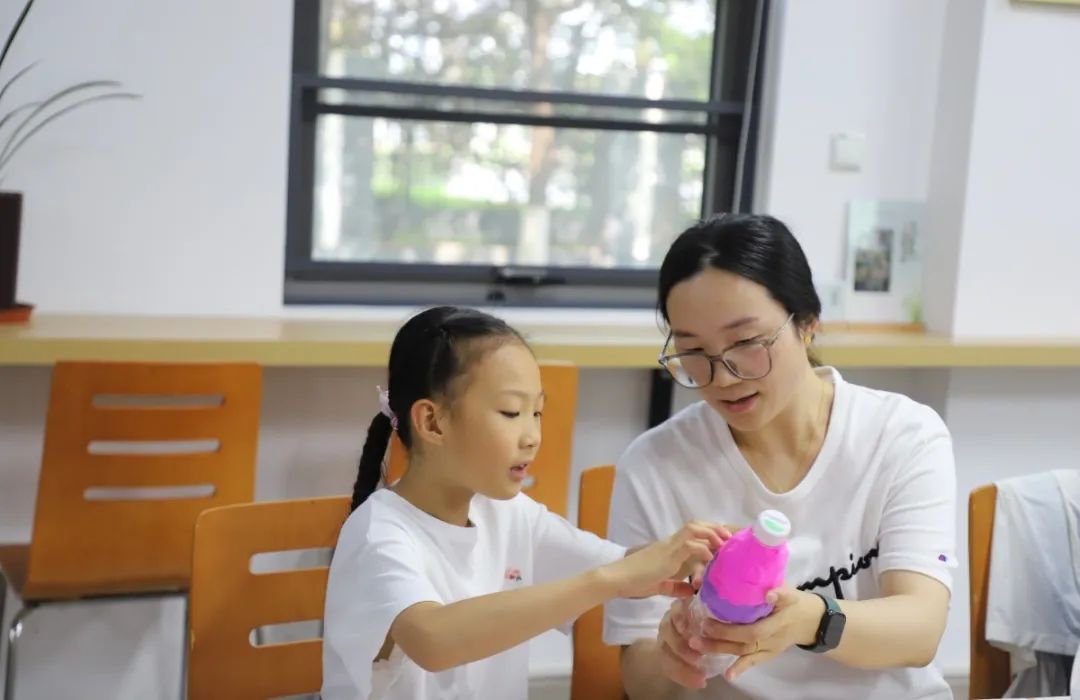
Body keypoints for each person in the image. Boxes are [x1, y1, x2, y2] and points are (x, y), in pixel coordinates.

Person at [604, 214, 957, 700]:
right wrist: (677, 653)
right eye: (693, 351)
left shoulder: (901, 435)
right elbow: (641, 679)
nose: (723, 376)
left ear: (807, 323)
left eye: (746, 343)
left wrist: (812, 620)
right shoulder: (654, 464)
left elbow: (920, 629)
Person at [322, 305, 725, 700]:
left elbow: (621, 566)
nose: (532, 436)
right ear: (432, 422)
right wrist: (610, 580)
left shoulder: (510, 514)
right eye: (511, 412)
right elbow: (432, 640)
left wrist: (687, 555)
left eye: (537, 413)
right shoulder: (378, 533)